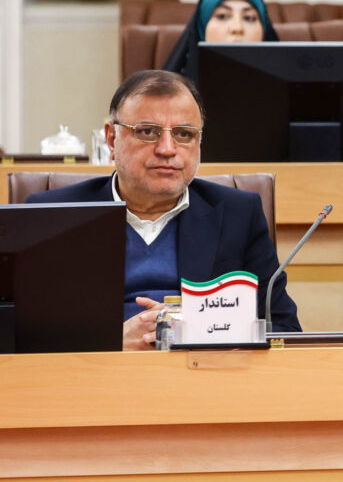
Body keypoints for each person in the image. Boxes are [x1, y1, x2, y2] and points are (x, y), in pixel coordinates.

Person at [27, 70, 300, 349]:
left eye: (183, 134)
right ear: (111, 139)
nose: (167, 149)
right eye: (147, 132)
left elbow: (284, 331)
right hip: (93, 372)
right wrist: (109, 343)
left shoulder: (238, 215)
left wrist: (192, 331)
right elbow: (20, 337)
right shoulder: (52, 216)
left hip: (202, 371)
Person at [163, 0, 280, 81]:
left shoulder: (285, 93)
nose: (237, 28)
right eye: (222, 16)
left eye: (249, 18)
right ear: (202, 27)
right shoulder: (175, 94)